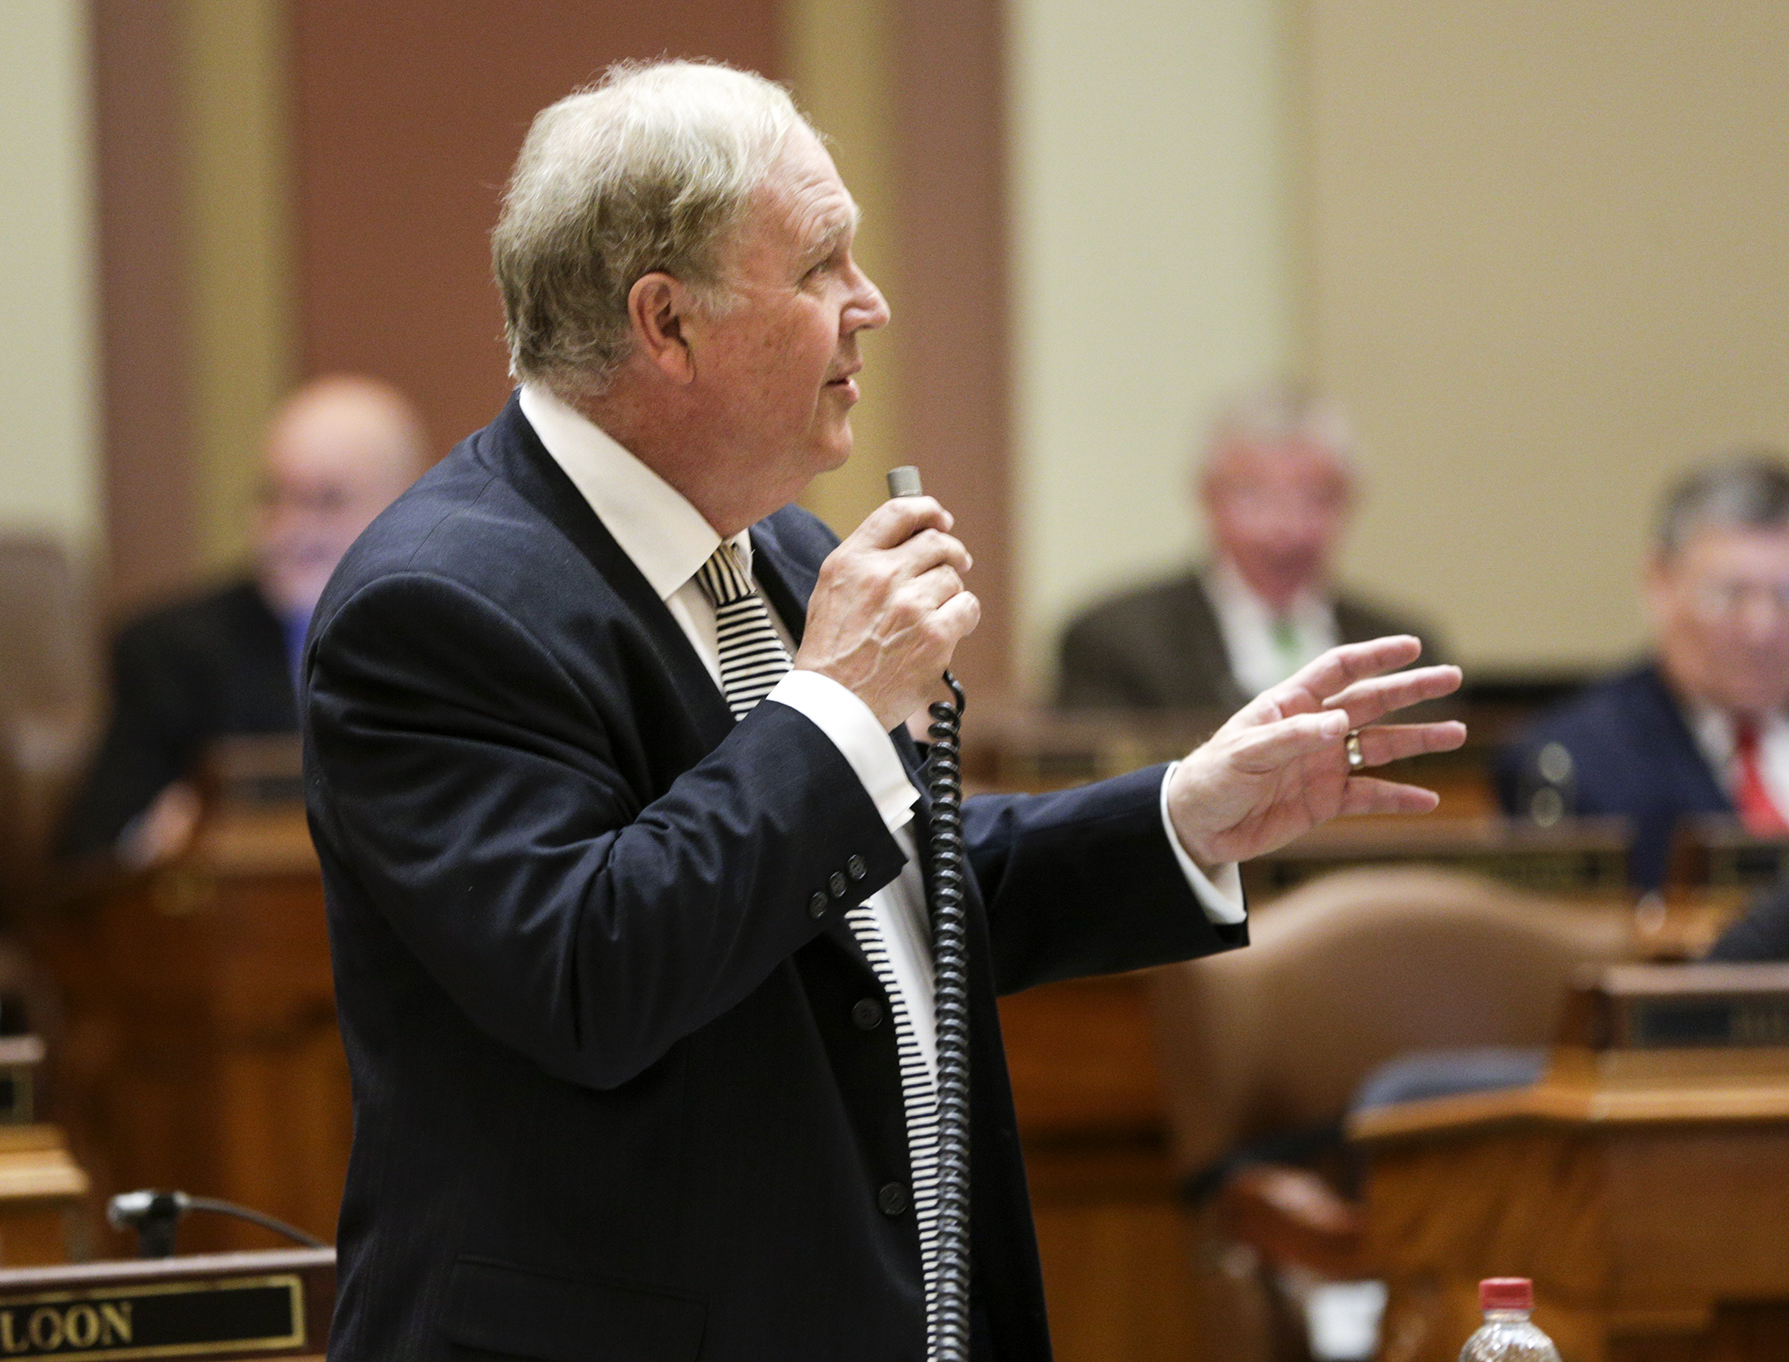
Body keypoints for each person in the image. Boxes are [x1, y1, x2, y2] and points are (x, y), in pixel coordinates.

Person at [303, 61, 1461, 1361]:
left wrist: (1184, 816)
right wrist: (834, 703)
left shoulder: (784, 549)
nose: (873, 304)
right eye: (820, 266)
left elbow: (873, 893)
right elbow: (591, 971)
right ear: (666, 323)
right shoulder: (438, 604)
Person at [56, 375, 427, 865]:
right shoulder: (171, 650)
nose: (292, 529)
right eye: (273, 497)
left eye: (327, 500)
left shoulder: (467, 639)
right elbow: (87, 856)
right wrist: (153, 839)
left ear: (410, 506)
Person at [1496, 451, 1789, 891]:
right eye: (1729, 595)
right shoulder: (1569, 763)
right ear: (1660, 585)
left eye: (1785, 596)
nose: (1762, 629)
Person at [1055, 387, 1443, 713]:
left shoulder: (1401, 648)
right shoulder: (1116, 641)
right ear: (1207, 498)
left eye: (1316, 497)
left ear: (1351, 502)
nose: (1286, 526)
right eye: (1254, 496)